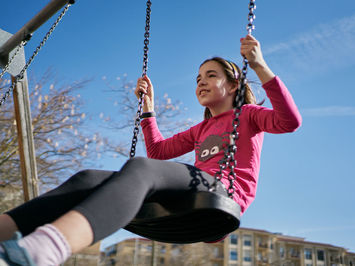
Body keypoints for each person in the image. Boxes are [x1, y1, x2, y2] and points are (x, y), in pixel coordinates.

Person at [0, 34, 301, 265]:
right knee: (87, 178)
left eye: (211, 75)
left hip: (222, 194)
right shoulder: (201, 129)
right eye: (198, 78)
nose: (201, 82)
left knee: (141, 168)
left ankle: (44, 250)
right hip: (196, 191)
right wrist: (148, 110)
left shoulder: (247, 115)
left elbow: (289, 121)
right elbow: (158, 151)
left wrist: (260, 65)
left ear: (234, 84)